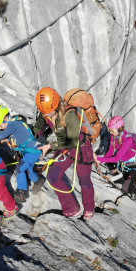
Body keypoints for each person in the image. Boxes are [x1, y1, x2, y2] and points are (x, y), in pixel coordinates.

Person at [32, 87, 95, 219]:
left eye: (48, 112)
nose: (46, 115)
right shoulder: (45, 111)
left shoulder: (69, 115)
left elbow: (73, 141)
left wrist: (50, 145)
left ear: (55, 105)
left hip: (81, 147)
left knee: (84, 180)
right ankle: (72, 209)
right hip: (63, 145)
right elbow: (38, 128)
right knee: (53, 175)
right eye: (43, 112)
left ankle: (89, 208)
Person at [0, 104, 45, 202]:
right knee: (28, 169)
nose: (0, 128)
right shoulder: (16, 124)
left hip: (32, 150)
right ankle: (38, 180)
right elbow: (13, 136)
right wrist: (6, 140)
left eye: (0, 125)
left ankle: (22, 191)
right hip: (31, 150)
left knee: (20, 168)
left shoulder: (13, 124)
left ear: (5, 118)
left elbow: (3, 134)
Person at [95, 116, 136, 199]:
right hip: (125, 164)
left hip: (135, 165)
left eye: (112, 130)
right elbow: (110, 151)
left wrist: (99, 159)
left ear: (119, 129)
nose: (111, 132)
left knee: (127, 186)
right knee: (131, 184)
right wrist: (101, 160)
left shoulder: (128, 139)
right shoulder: (113, 136)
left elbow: (116, 158)